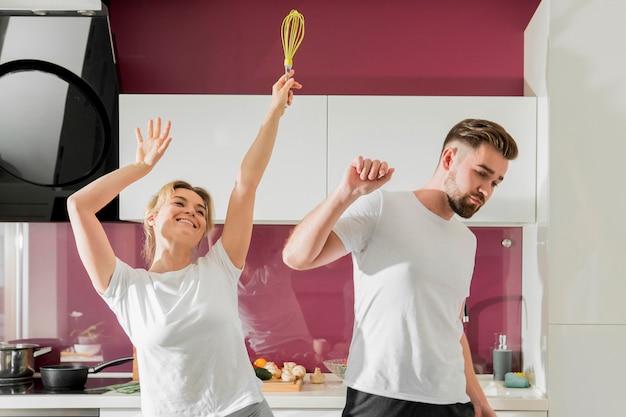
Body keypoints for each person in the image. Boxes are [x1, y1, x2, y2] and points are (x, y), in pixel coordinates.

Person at [66, 70, 301, 417]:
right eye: (179, 203)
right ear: (151, 217)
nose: (192, 212)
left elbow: (245, 184)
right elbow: (79, 206)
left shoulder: (220, 268)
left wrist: (274, 113)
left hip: (242, 410)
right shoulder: (126, 288)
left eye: (200, 211)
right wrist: (140, 167)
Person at [282, 119, 519, 417]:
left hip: (451, 402)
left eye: (495, 182)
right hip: (382, 400)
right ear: (449, 159)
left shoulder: (466, 241)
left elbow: (452, 325)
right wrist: (346, 193)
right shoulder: (382, 207)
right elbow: (296, 257)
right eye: (481, 174)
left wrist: (480, 401)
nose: (485, 189)